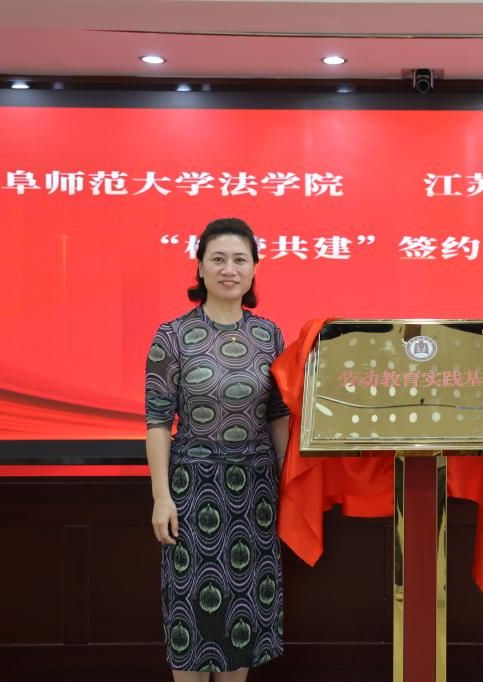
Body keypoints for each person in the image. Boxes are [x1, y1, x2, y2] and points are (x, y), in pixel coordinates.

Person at [145, 218, 290, 681]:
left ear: (254, 269)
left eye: (240, 260)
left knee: (244, 614)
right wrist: (161, 497)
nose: (230, 269)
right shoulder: (172, 336)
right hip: (192, 492)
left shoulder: (269, 335)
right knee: (190, 613)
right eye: (219, 259)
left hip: (255, 495)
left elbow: (278, 415)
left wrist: (287, 481)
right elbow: (157, 422)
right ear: (200, 268)